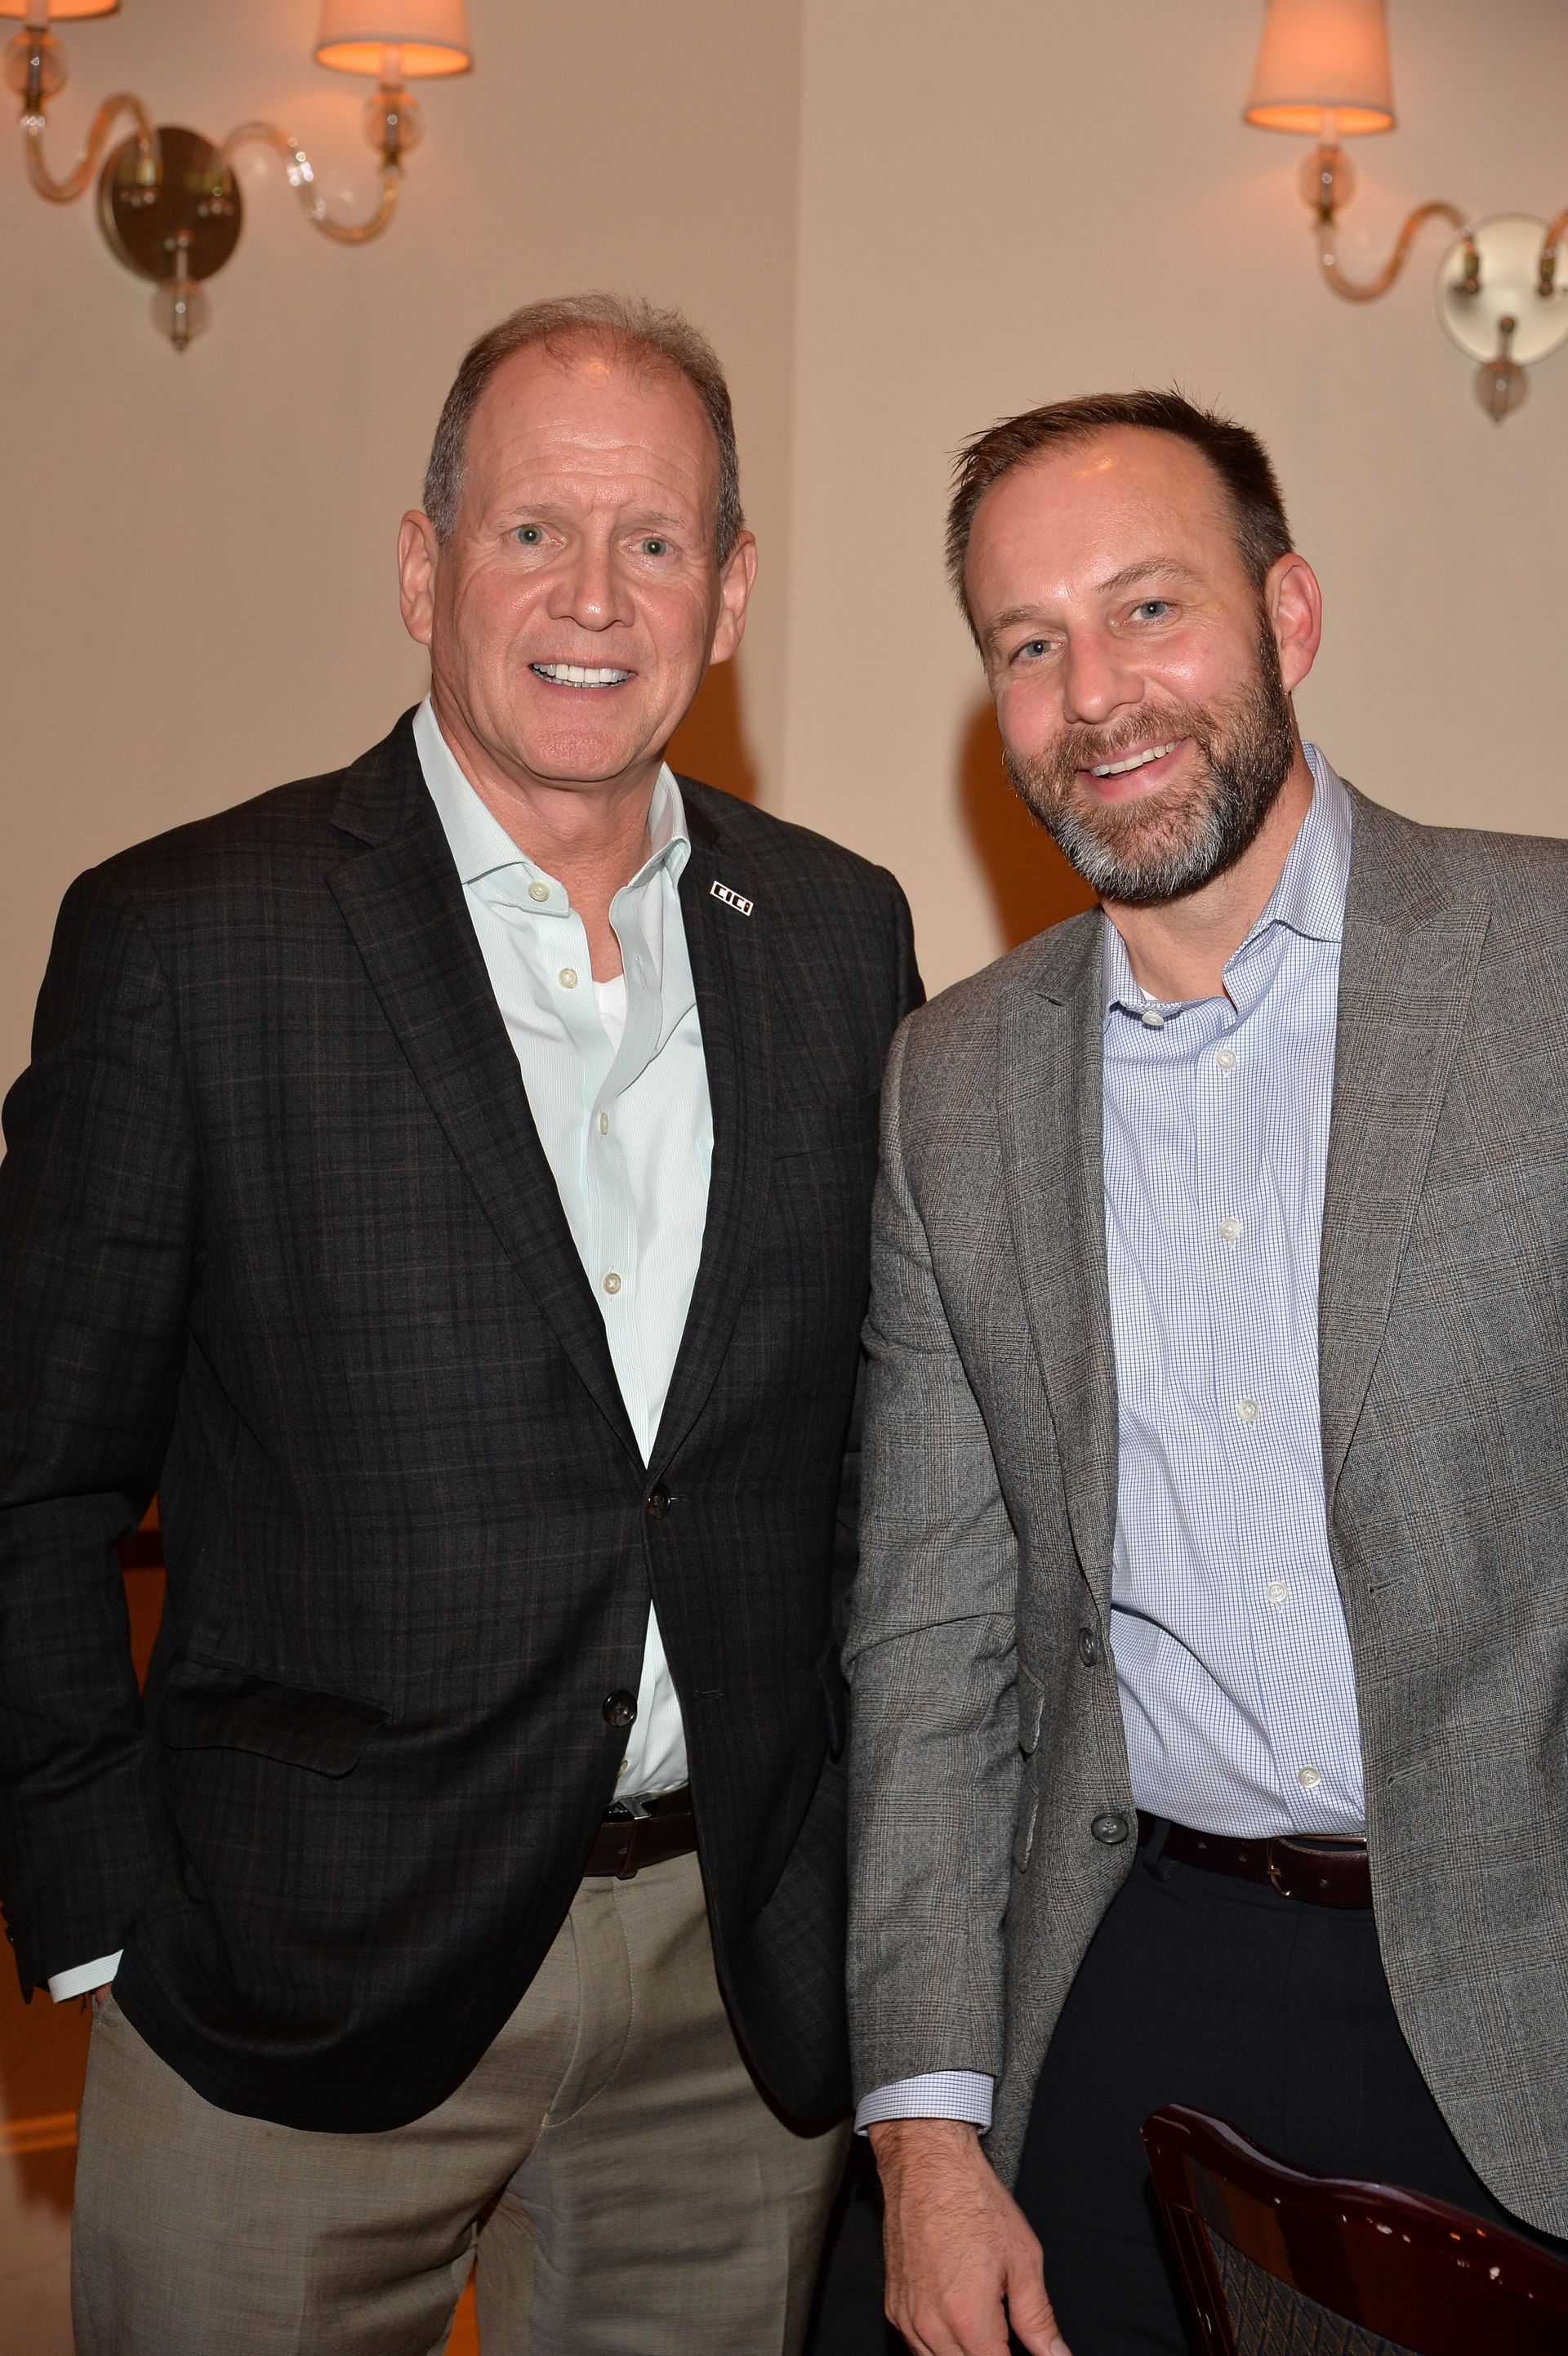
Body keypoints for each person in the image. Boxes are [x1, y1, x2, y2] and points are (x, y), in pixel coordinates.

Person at [0, 292, 920, 2356]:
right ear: (425, 563)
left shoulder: (845, 938)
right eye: (532, 532)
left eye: (658, 541)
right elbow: (29, 1476)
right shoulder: (185, 942)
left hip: (727, 1995)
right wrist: (94, 1929)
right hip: (287, 1987)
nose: (595, 596)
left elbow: (865, 1462)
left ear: (734, 589)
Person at [843, 388, 1568, 2356]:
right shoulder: (952, 1086)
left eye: (1150, 609)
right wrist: (923, 2136)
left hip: (1528, 1975)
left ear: (1290, 617)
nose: (1098, 692)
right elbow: (930, 1645)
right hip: (1134, 1962)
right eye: (1029, 643)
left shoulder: (1545, 967)